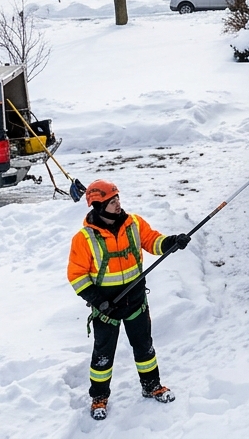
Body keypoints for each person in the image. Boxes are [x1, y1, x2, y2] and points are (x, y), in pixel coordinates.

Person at [66, 180, 191, 420]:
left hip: (135, 301)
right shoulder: (84, 239)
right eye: (112, 201)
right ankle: (99, 397)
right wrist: (97, 300)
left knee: (144, 346)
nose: (117, 204)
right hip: (106, 307)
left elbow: (152, 240)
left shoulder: (133, 223)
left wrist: (171, 242)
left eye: (117, 199)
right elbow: (77, 275)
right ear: (98, 206)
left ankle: (152, 385)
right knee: (103, 354)